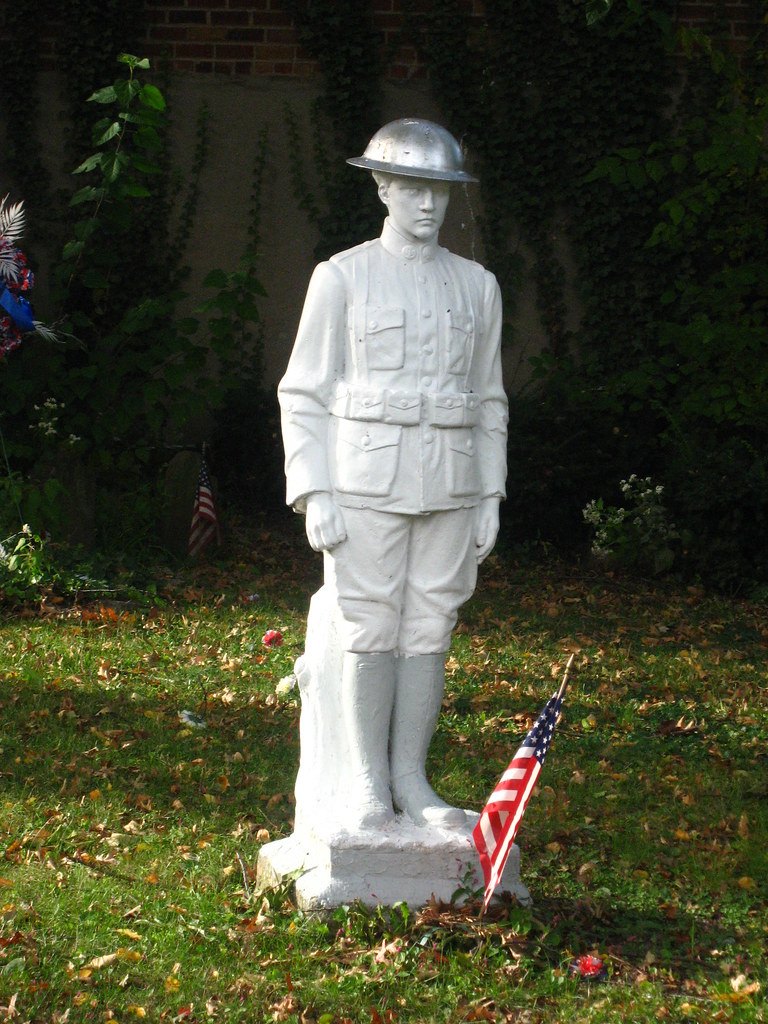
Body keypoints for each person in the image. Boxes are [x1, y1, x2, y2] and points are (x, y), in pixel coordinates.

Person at [278, 118, 507, 832]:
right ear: (382, 188)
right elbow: (304, 391)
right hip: (365, 480)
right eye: (412, 187)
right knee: (370, 626)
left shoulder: (478, 286)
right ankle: (367, 783)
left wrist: (492, 493)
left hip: (452, 481)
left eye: (439, 189)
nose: (428, 204)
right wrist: (313, 488)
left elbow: (490, 398)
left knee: (430, 626)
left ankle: (412, 779)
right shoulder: (341, 276)